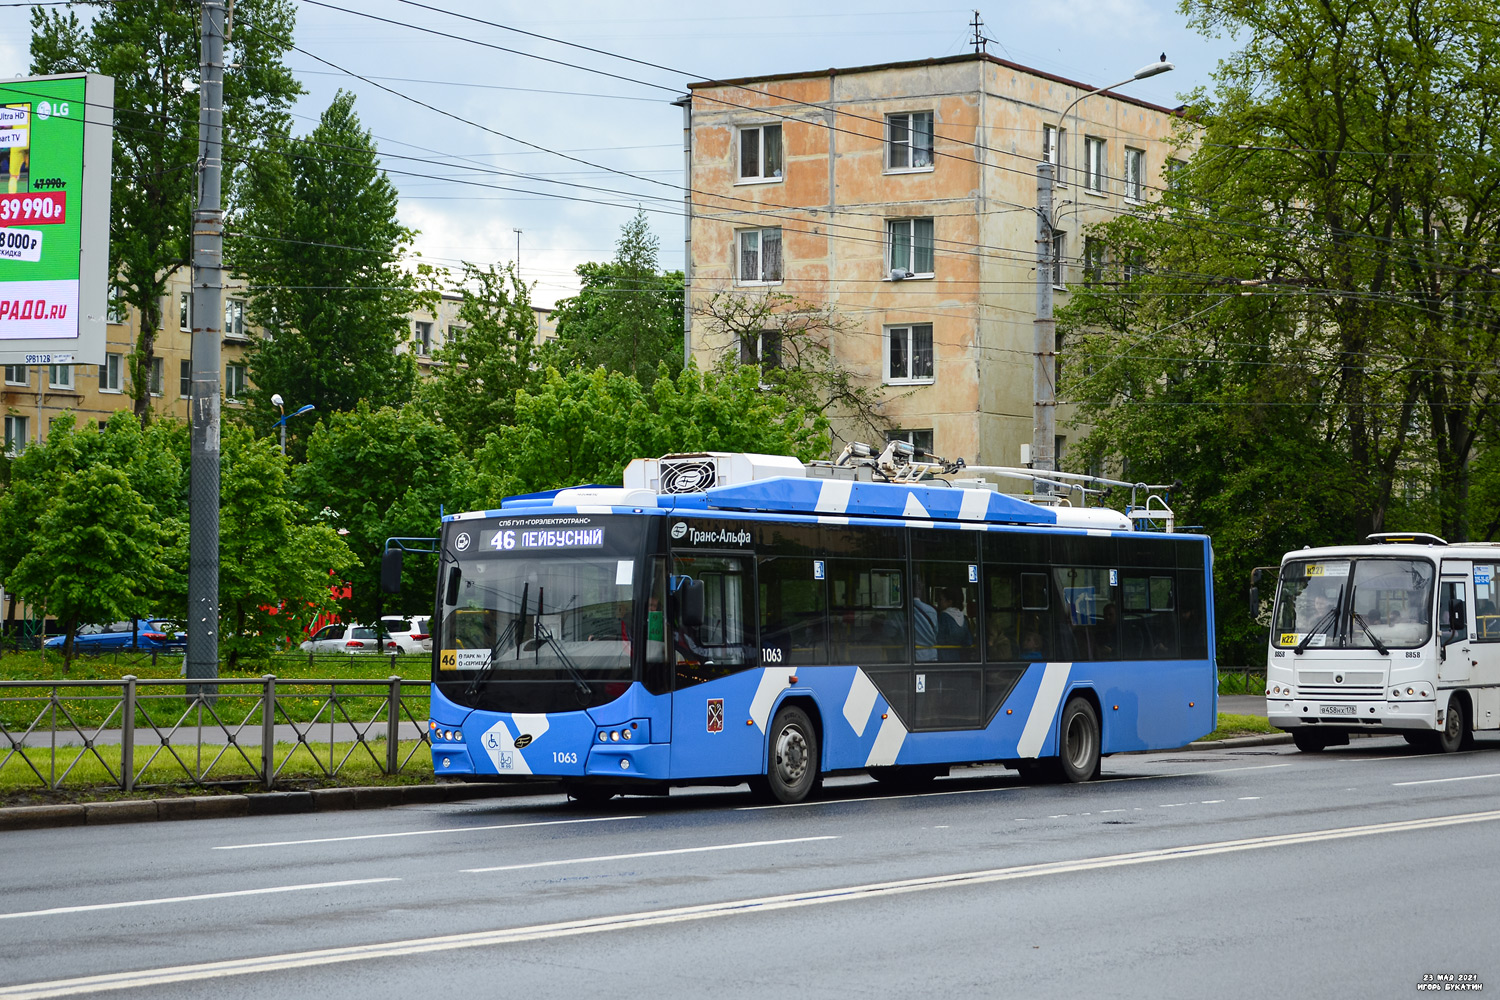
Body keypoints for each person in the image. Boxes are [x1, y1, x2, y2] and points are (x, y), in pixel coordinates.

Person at [935, 587, 974, 660]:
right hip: (959, 658)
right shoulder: (964, 618)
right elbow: (968, 641)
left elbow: (939, 639)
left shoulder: (943, 617)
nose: (938, 603)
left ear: (949, 602)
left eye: (941, 600)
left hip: (944, 657)